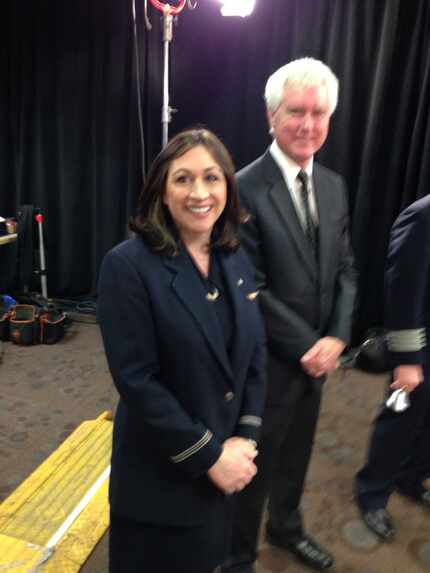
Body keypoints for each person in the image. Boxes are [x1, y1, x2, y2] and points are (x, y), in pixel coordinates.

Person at [97, 128, 267, 573]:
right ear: (162, 192)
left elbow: (254, 352)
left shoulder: (234, 256)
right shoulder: (127, 266)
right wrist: (210, 456)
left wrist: (245, 438)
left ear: (228, 187)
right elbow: (138, 381)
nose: (199, 192)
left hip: (225, 469)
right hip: (161, 482)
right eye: (183, 179)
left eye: (212, 178)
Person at [222, 58, 356, 573]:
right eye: (296, 111)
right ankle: (236, 557)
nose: (307, 124)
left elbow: (346, 269)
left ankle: (287, 528)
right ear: (271, 116)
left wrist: (338, 337)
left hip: (319, 357)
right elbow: (246, 285)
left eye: (318, 113)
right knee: (254, 461)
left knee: (298, 451)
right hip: (264, 360)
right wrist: (309, 345)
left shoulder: (334, 185)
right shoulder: (241, 188)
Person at [355, 195, 430, 541]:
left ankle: (411, 478)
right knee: (400, 421)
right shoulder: (423, 215)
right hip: (420, 349)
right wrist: (407, 359)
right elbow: (403, 292)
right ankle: (372, 493)